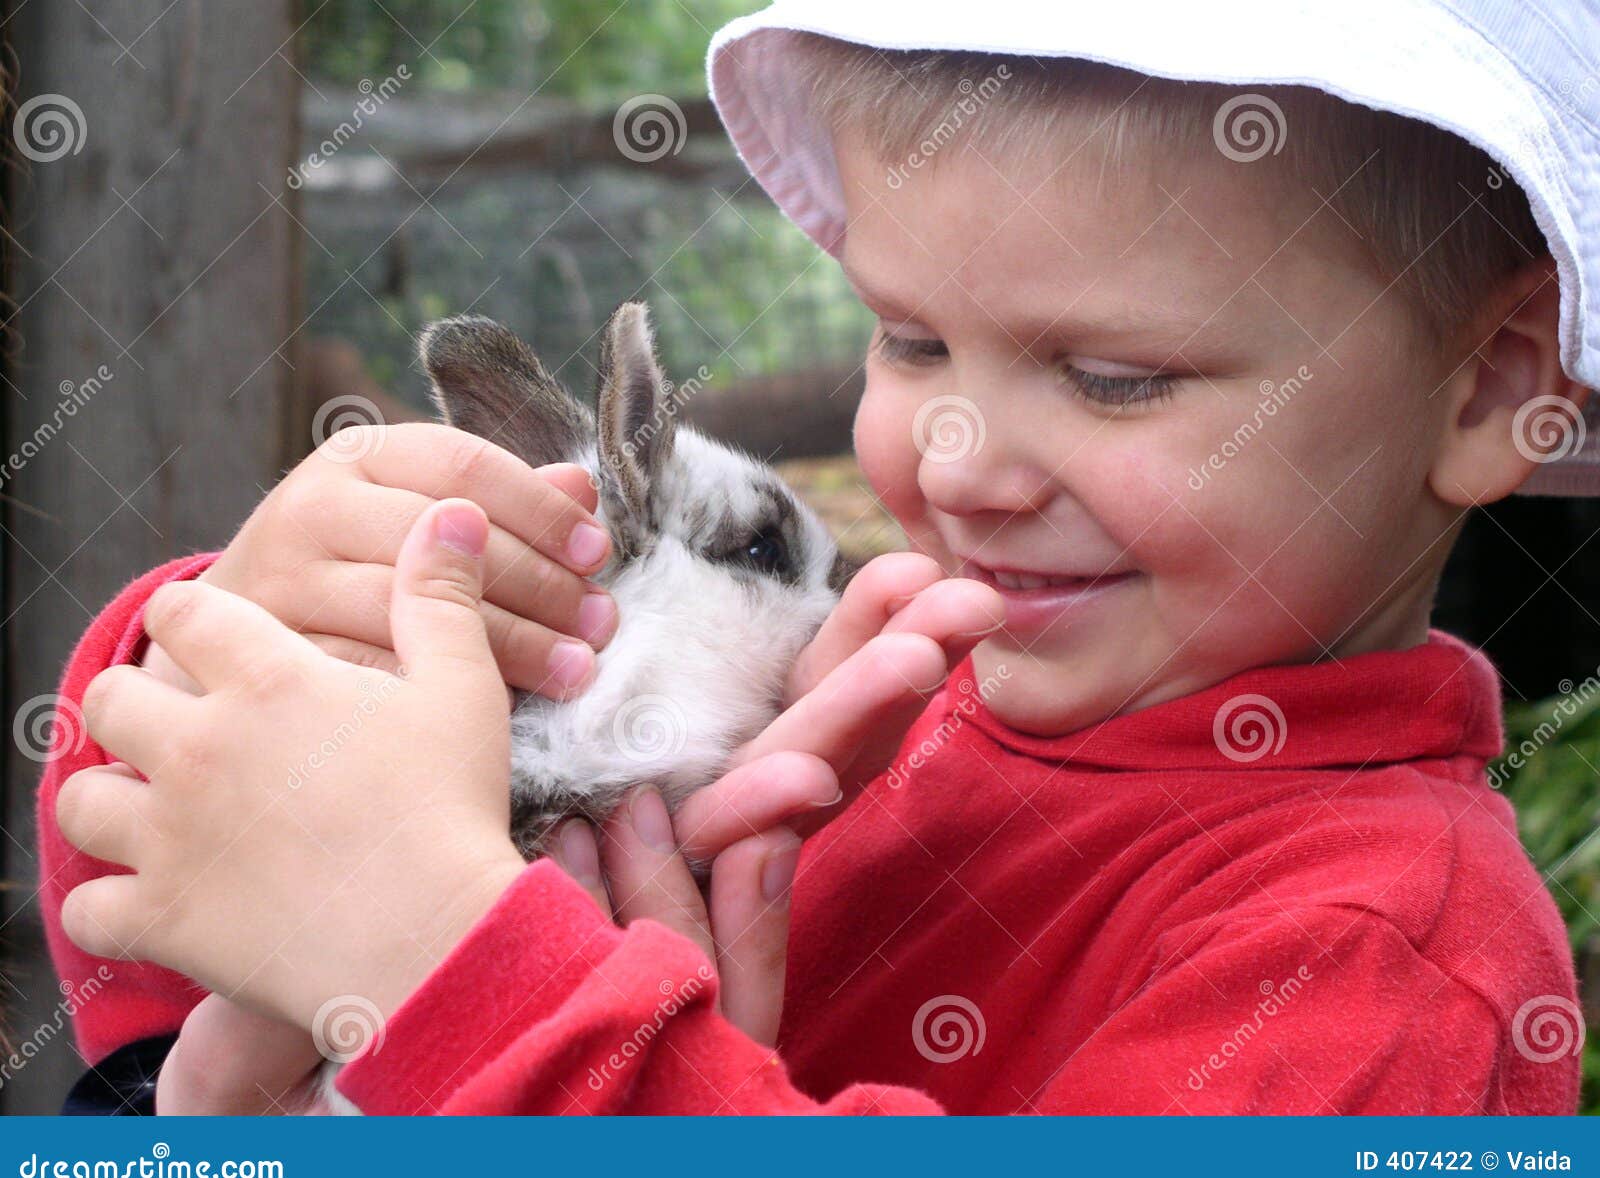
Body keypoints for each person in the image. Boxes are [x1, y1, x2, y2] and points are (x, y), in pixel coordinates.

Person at [39, 0, 1600, 1113]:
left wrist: (465, 981)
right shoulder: (876, 697)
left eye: (1117, 377)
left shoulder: (1374, 961)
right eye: (911, 339)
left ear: (1486, 390)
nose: (957, 465)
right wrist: (225, 647)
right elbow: (161, 966)